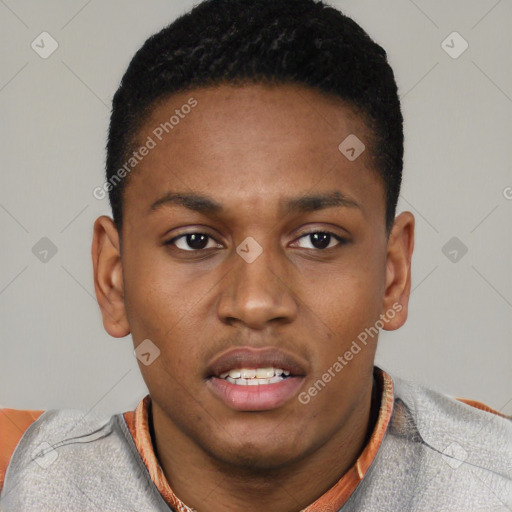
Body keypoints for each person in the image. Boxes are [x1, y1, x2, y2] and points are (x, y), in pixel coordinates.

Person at [1, 0, 510, 510]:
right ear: (113, 279)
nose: (255, 302)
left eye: (318, 239)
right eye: (194, 241)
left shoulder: (490, 480)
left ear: (392, 276)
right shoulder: (19, 478)